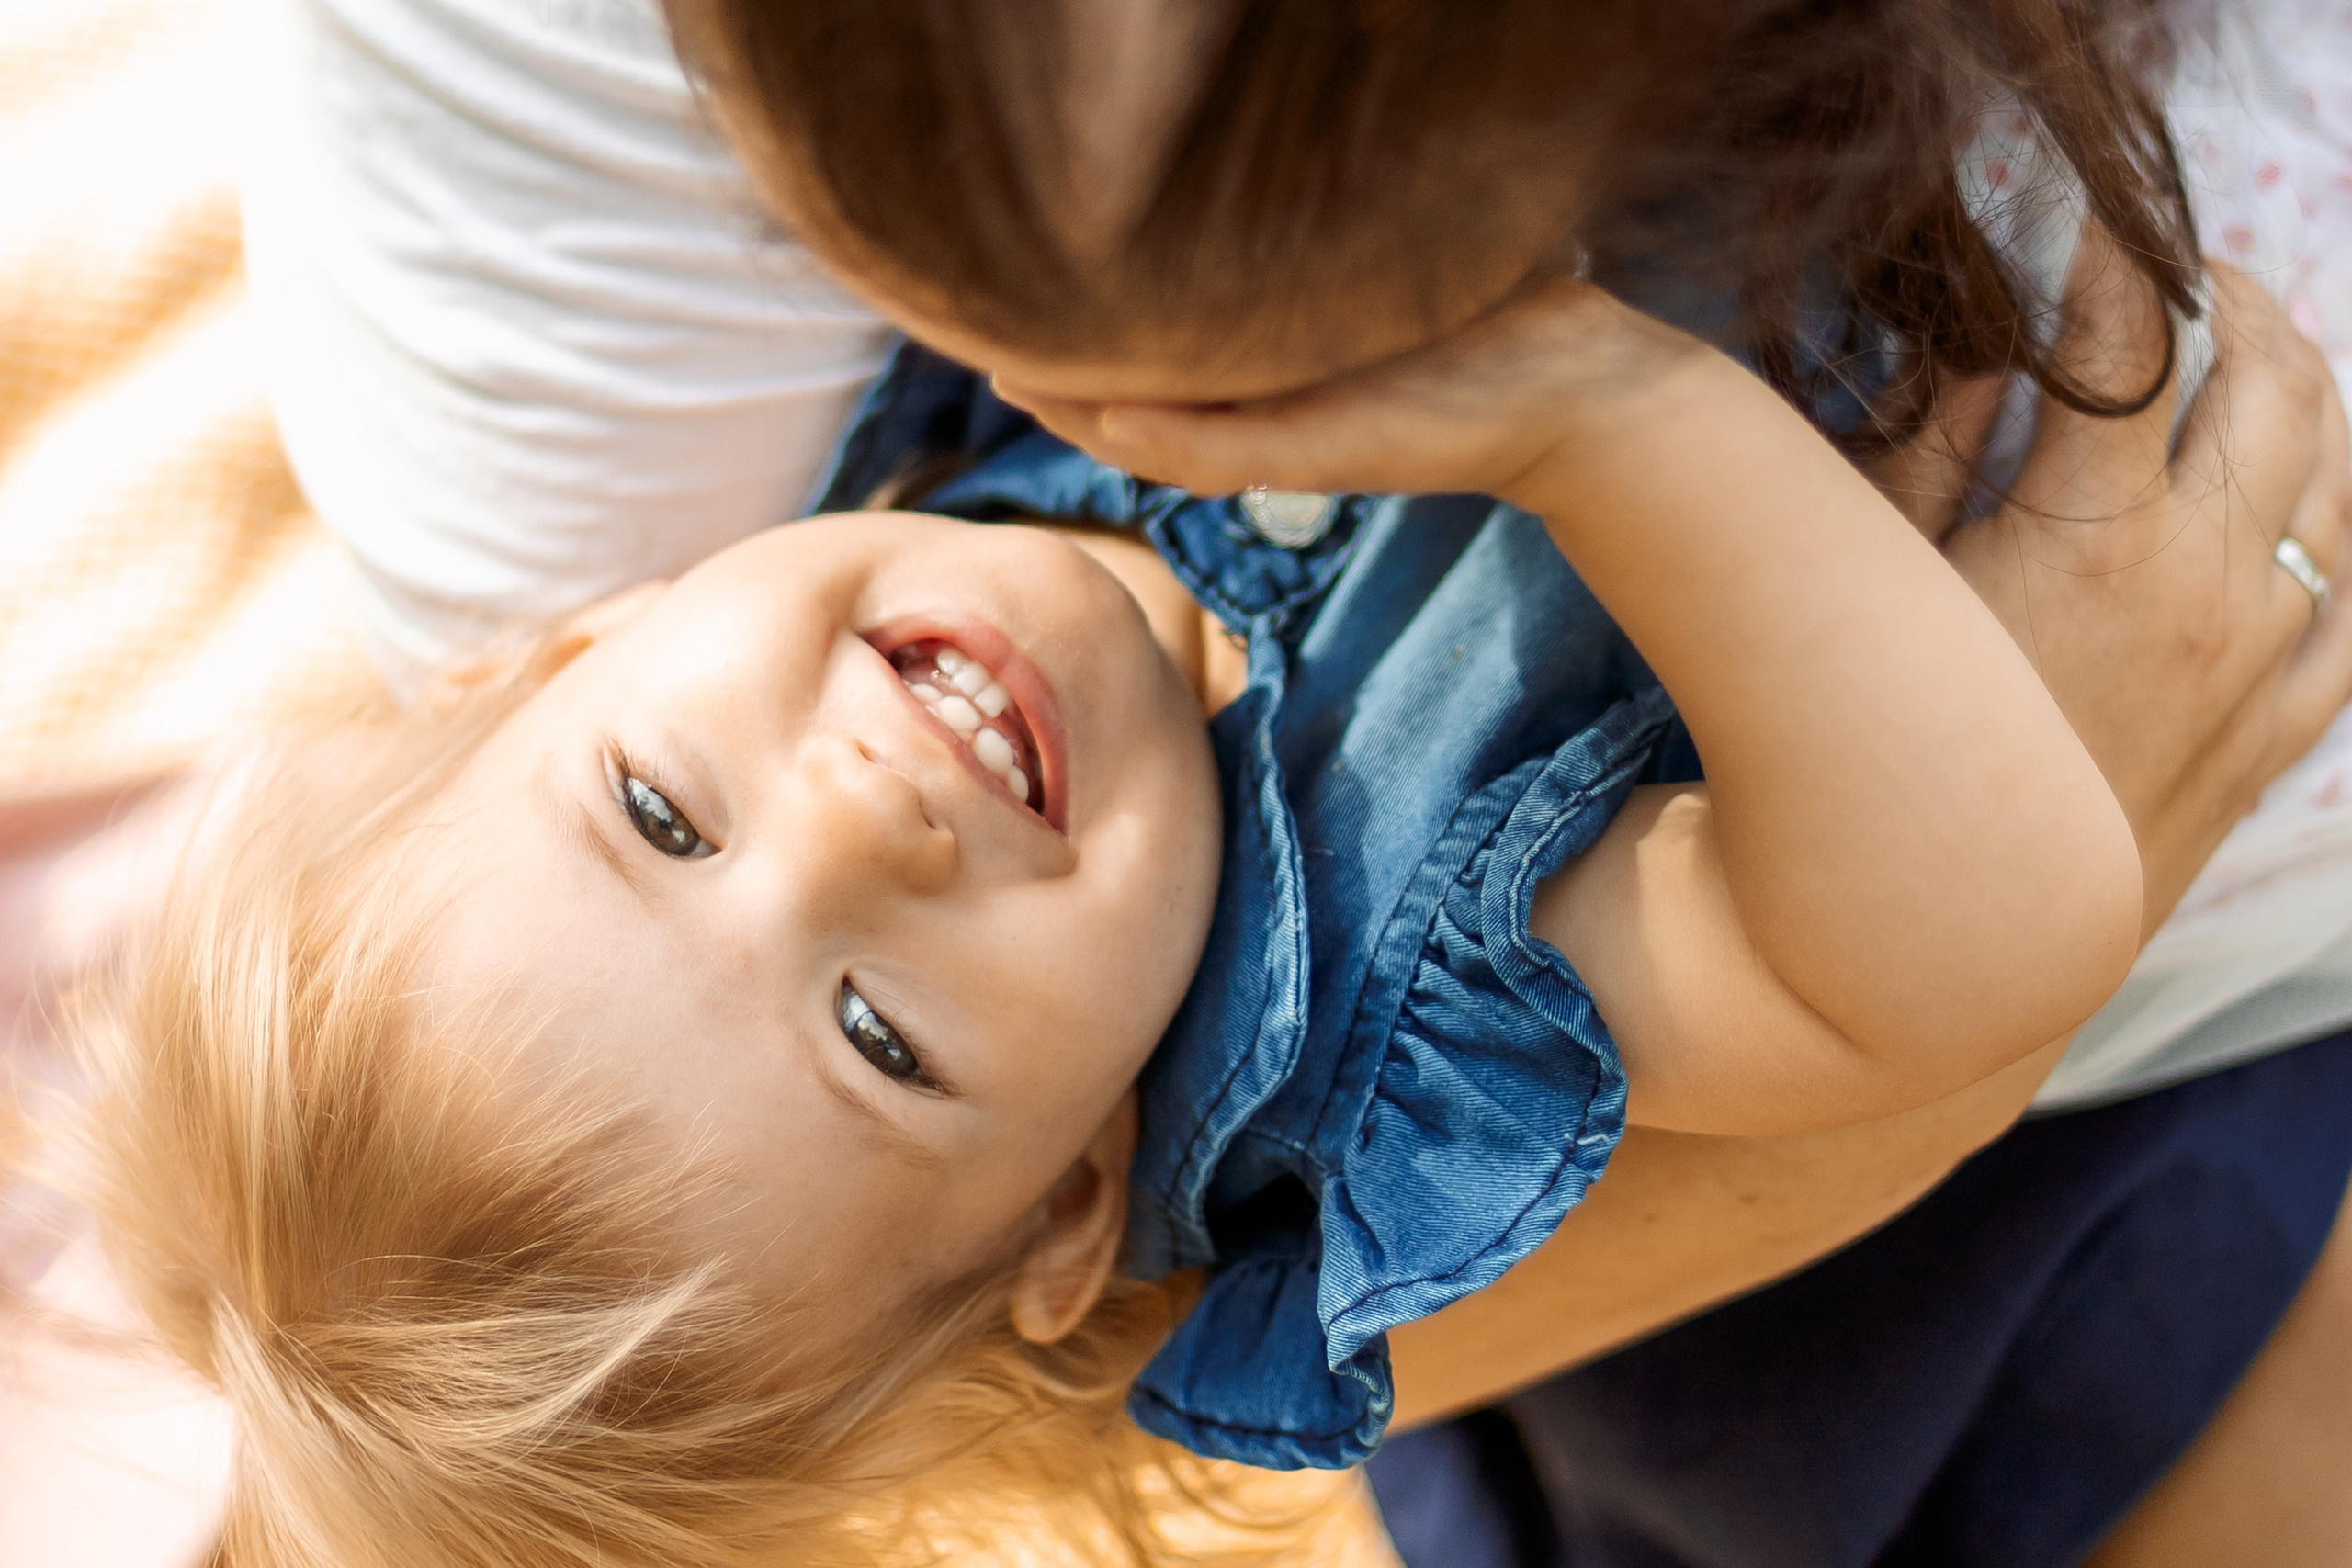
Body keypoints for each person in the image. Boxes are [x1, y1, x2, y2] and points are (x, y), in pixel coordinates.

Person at [231, 0, 2352, 1559]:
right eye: (875, 1034)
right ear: (1070, 1203)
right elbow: (1967, 940)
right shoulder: (1380, 1013)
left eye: (661, 816)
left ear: (568, 646)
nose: (864, 815)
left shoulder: (917, 443)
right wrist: (1587, 422)